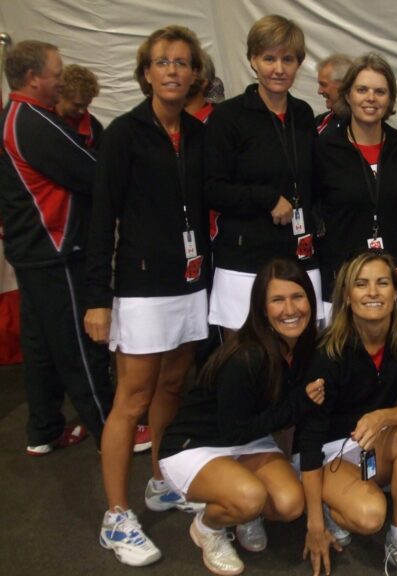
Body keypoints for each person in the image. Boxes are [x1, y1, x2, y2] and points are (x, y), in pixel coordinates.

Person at [84, 25, 209, 566]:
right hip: (139, 288)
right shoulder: (123, 134)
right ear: (146, 73)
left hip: (190, 283)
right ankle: (116, 516)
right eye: (163, 62)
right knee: (132, 399)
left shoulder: (199, 134)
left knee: (173, 385)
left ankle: (162, 478)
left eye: (182, 62)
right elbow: (101, 218)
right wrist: (98, 297)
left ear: (194, 73)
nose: (173, 71)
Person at [159, 259, 325, 576]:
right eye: (277, 300)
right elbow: (236, 430)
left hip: (248, 439)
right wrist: (299, 404)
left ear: (310, 300)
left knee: (291, 504)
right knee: (250, 497)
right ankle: (208, 527)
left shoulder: (303, 347)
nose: (290, 309)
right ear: (262, 308)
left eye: (298, 297)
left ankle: (244, 510)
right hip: (195, 445)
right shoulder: (248, 355)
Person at [0, 40, 113, 456]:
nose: (62, 80)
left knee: (42, 346)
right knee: (79, 343)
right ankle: (111, 429)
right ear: (33, 78)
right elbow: (94, 173)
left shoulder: (16, 118)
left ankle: (44, 428)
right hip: (55, 249)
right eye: (58, 73)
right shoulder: (32, 120)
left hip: (35, 250)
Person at [296, 250, 397, 576]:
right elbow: (310, 438)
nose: (373, 292)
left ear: (396, 292)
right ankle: (329, 504)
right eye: (361, 284)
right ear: (347, 296)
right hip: (329, 451)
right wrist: (314, 523)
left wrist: (383, 417)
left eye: (382, 283)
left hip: (373, 438)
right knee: (370, 516)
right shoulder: (327, 350)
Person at [205, 14, 322, 335]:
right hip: (245, 260)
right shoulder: (228, 116)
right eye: (269, 58)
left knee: (297, 355)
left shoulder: (302, 113)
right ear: (253, 60)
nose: (279, 69)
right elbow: (212, 188)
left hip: (297, 256)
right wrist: (267, 198)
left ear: (299, 64)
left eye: (288, 59)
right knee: (245, 357)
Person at [315, 52, 397, 319]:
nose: (371, 98)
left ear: (390, 99)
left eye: (380, 91)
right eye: (362, 90)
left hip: (391, 274)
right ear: (347, 95)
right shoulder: (325, 146)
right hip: (343, 276)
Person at [55, 63, 103, 148]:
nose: (82, 111)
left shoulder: (94, 128)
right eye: (77, 105)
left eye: (86, 105)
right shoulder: (41, 117)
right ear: (62, 94)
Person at [314, 53, 352, 135]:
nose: (319, 91)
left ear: (344, 85)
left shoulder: (358, 126)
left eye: (323, 85)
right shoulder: (319, 121)